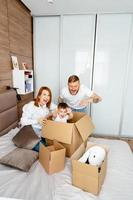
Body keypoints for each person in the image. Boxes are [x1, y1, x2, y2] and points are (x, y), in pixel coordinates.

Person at [20, 86, 57, 151]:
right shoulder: (31, 105)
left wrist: (50, 114)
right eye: (44, 94)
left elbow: (57, 108)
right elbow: (23, 121)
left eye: (49, 95)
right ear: (39, 96)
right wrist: (37, 120)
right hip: (30, 132)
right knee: (45, 150)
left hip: (40, 132)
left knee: (52, 145)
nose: (47, 97)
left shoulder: (48, 105)